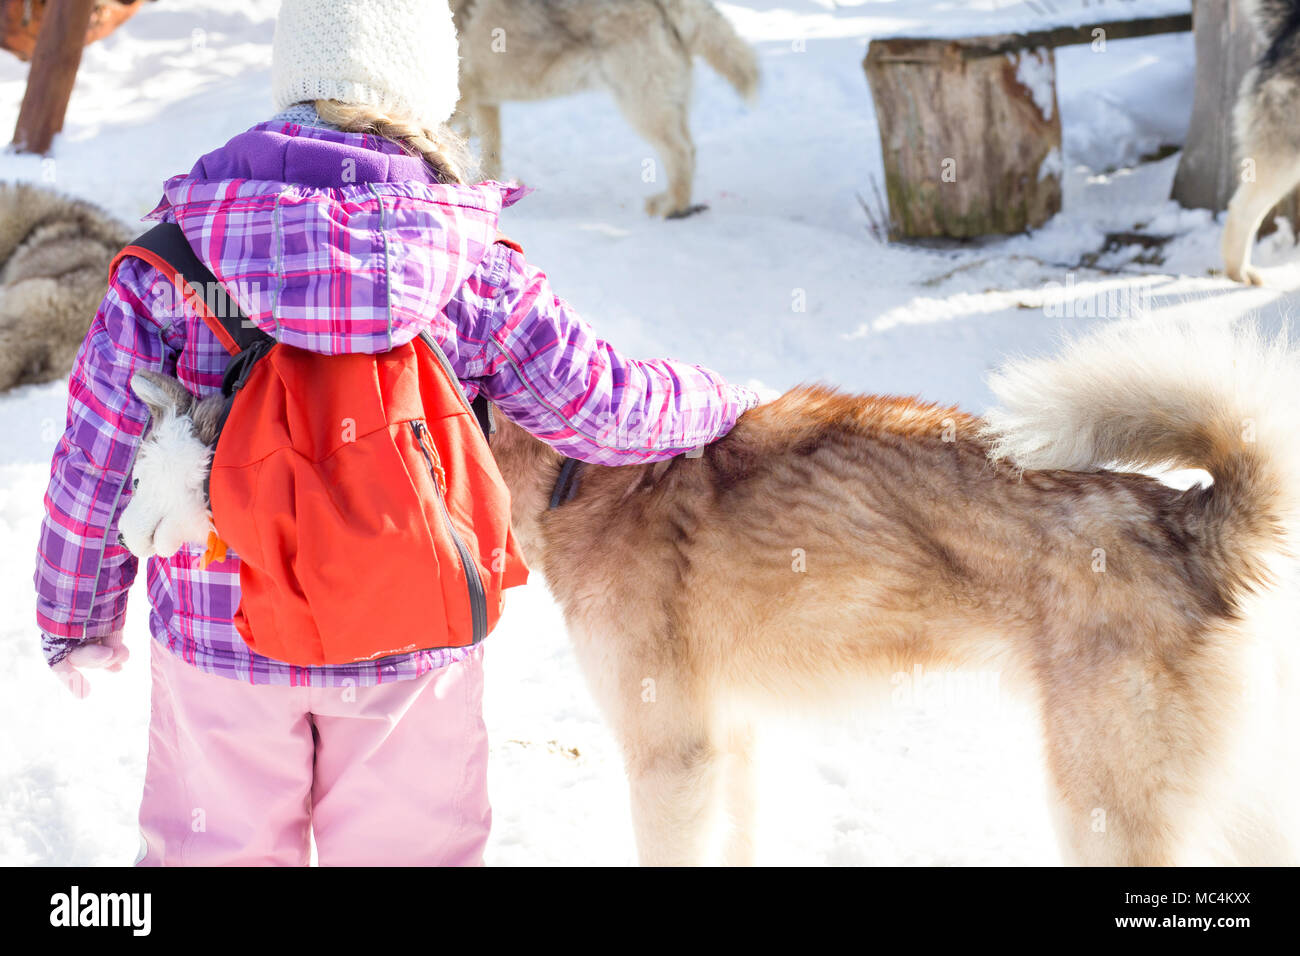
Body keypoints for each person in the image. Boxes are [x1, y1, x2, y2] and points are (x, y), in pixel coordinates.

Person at [34, 0, 757, 866]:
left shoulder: (172, 263)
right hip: (411, 637)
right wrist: (723, 400)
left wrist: (76, 615)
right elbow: (596, 407)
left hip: (218, 637)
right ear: (424, 94)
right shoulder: (468, 263)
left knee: (213, 851)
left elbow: (95, 459)